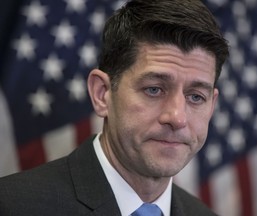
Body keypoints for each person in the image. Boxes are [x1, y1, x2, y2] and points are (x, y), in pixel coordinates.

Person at [0, 0, 229, 215]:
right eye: (154, 89)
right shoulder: (14, 205)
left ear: (212, 105)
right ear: (102, 94)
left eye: (196, 97)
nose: (177, 117)